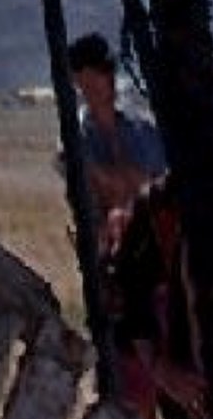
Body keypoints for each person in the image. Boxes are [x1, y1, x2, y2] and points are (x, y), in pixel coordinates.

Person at [68, 28, 168, 257]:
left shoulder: (143, 129)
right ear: (79, 81)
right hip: (110, 249)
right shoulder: (75, 141)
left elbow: (160, 186)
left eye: (109, 70)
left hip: (157, 239)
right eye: (98, 73)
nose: (108, 79)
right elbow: (115, 191)